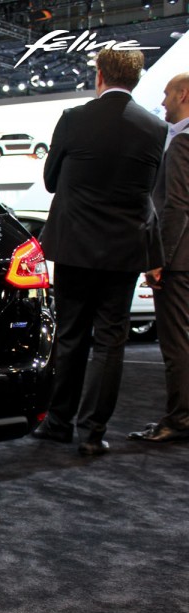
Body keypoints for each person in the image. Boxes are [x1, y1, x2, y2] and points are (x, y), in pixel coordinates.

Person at [30, 49, 167, 456]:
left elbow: (52, 180)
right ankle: (92, 433)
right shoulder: (155, 127)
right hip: (124, 250)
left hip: (74, 246)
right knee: (111, 342)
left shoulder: (74, 119)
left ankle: (58, 423)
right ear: (137, 80)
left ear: (100, 76)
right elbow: (148, 191)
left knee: (70, 336)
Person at [129, 72, 189, 443]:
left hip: (179, 262)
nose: (163, 102)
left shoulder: (182, 143)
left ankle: (181, 418)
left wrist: (159, 259)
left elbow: (176, 208)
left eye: (167, 94)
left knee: (176, 343)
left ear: (183, 94)